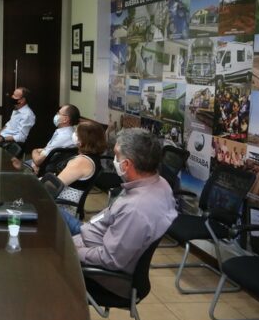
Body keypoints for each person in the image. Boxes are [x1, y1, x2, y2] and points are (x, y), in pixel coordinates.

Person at [61, 128, 176, 283]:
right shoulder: (160, 183)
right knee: (47, 213)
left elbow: (110, 260)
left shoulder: (135, 209)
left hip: (96, 270)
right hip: (92, 235)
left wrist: (70, 250)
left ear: (126, 164)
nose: (114, 159)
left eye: (116, 155)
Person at [47, 122, 107, 211]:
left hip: (61, 206)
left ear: (83, 139)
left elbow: (54, 186)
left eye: (76, 132)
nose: (74, 134)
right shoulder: (92, 157)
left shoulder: (82, 162)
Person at [30, 104, 80, 168]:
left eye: (58, 113)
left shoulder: (63, 136)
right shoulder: (71, 132)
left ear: (65, 119)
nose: (56, 115)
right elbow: (47, 149)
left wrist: (34, 151)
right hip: (50, 164)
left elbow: (38, 161)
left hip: (46, 167)